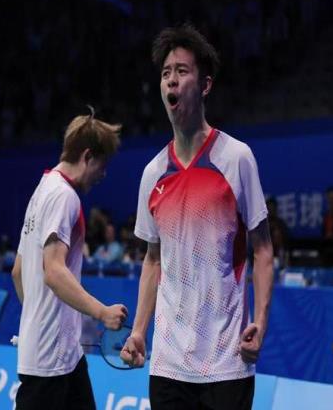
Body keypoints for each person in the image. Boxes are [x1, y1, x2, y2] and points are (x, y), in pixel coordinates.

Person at [120, 24, 274, 410]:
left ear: (205, 85)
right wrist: (138, 331)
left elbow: (263, 250)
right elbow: (153, 259)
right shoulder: (153, 173)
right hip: (168, 364)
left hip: (226, 362)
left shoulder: (236, 158)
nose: (171, 80)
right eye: (165, 73)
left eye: (181, 71)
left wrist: (260, 321)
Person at [11, 108, 128, 410]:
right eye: (102, 164)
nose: (104, 174)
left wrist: (35, 322)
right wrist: (102, 312)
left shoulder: (42, 190)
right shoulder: (64, 196)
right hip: (49, 362)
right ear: (87, 156)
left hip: (66, 355)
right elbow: (53, 272)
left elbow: (18, 271)